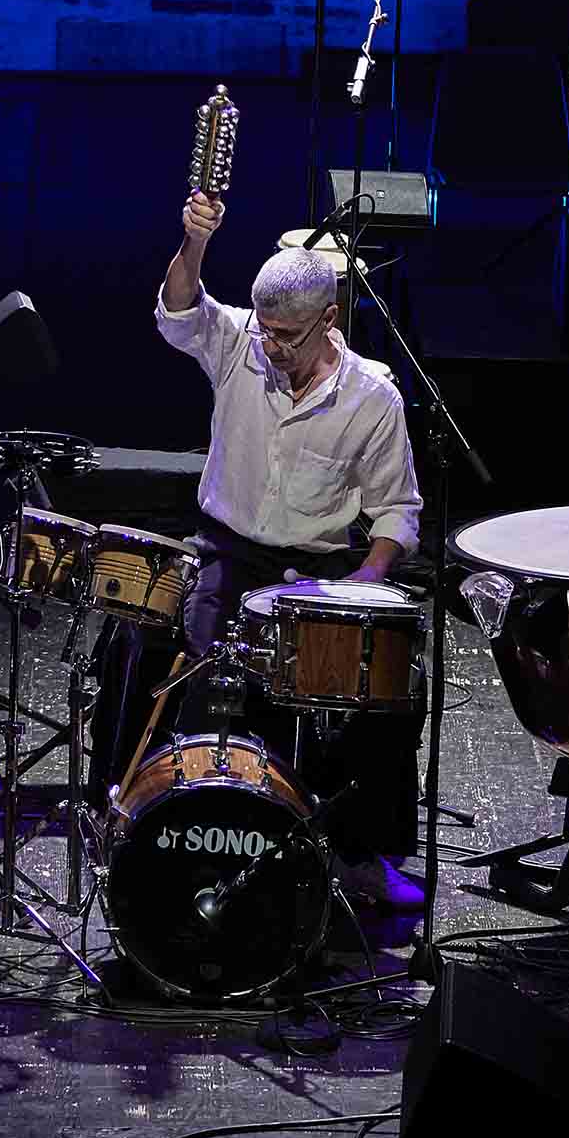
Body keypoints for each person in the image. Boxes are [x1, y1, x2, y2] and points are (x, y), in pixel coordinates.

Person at [155, 187, 428, 914]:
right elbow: (182, 309)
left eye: (287, 335)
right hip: (229, 552)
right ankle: (186, 836)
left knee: (388, 697)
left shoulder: (373, 397)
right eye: (265, 330)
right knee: (204, 678)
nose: (270, 346)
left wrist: (363, 585)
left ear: (328, 320)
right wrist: (195, 241)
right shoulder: (238, 345)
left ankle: (360, 855)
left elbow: (396, 511)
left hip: (321, 569)